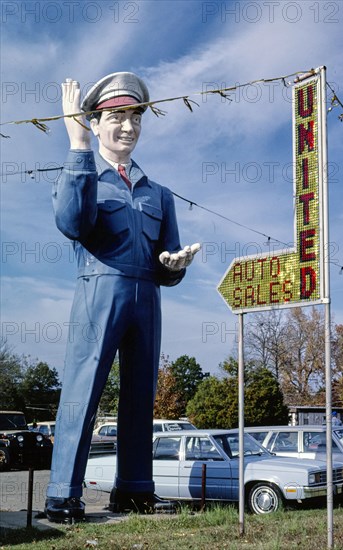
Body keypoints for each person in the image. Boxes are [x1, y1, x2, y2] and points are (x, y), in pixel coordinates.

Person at [44, 72, 200, 522]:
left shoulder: (160, 194)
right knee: (82, 389)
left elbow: (167, 258)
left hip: (147, 299)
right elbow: (72, 224)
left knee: (140, 396)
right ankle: (62, 495)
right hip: (100, 290)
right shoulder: (83, 177)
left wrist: (173, 267)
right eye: (116, 117)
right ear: (94, 122)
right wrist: (77, 147)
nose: (128, 126)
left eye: (134, 117)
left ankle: (134, 489)